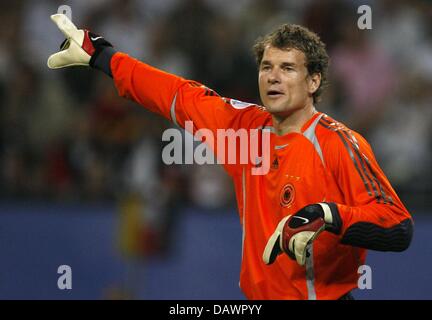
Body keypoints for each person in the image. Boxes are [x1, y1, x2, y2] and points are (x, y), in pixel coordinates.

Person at [47, 14, 413, 300]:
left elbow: (397, 226)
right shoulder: (242, 129)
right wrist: (101, 55)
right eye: (266, 67)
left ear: (313, 81)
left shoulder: (338, 144)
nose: (273, 77)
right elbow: (175, 93)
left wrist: (331, 216)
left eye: (288, 68)